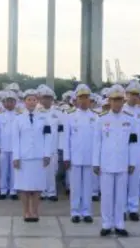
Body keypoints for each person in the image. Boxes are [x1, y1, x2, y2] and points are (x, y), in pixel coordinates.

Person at [93, 84, 139, 237]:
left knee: (120, 196)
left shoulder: (130, 120)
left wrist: (132, 161)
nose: (117, 103)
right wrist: (96, 162)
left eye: (119, 100)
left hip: (122, 162)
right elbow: (97, 142)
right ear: (109, 101)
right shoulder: (101, 119)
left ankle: (119, 224)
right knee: (106, 196)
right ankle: (106, 224)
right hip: (106, 162)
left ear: (123, 101)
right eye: (114, 100)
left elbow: (133, 142)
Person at [12, 89, 53, 222]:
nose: (31, 102)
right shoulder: (18, 118)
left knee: (37, 187)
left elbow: (48, 136)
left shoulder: (44, 117)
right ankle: (26, 212)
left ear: (37, 101)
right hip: (23, 157)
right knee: (23, 187)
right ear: (24, 102)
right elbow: (15, 138)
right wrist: (16, 157)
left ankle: (35, 211)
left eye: (34, 99)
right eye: (29, 99)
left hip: (38, 157)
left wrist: (47, 154)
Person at [62, 84, 97, 224]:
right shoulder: (70, 116)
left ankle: (87, 212)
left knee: (89, 187)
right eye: (81, 98)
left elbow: (97, 140)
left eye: (86, 97)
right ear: (76, 100)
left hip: (90, 157)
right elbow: (66, 139)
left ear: (90, 100)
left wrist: (97, 159)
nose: (84, 101)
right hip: (75, 157)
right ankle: (75, 212)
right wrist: (66, 157)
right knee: (75, 187)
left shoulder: (95, 117)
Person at [122, 81, 140, 221]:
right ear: (126, 95)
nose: (134, 97)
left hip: (138, 150)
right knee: (123, 182)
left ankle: (133, 209)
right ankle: (121, 209)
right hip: (122, 150)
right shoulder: (120, 110)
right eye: (132, 94)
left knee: (135, 181)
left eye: (137, 95)